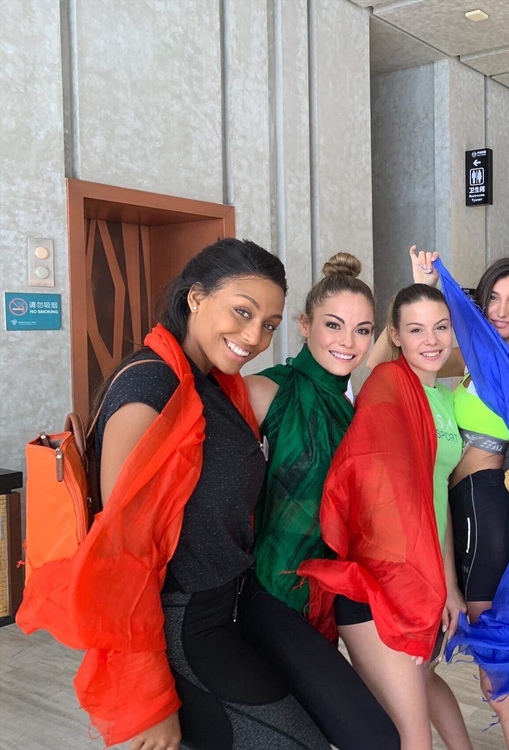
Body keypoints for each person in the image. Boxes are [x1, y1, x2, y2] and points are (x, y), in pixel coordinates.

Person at [18, 239, 330, 750]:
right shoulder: (151, 388)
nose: (254, 336)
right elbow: (123, 557)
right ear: (195, 297)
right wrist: (150, 699)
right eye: (242, 312)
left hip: (224, 611)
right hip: (179, 628)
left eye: (269, 324)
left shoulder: (211, 384)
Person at [370, 249, 509, 750]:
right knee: (460, 671)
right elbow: (380, 365)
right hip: (454, 516)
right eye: (494, 298)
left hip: (485, 518)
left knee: (498, 685)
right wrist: (418, 292)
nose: (502, 310)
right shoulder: (470, 356)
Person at [238, 253, 402, 749]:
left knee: (311, 733)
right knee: (371, 736)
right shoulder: (266, 391)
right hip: (271, 590)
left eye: (361, 330)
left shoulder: (358, 410)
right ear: (305, 324)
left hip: (332, 598)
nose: (347, 342)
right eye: (333, 325)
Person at [298, 283, 472, 750]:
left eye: (441, 327)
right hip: (382, 587)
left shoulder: (444, 399)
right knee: (411, 738)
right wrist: (414, 592)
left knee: (425, 683)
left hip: (424, 575)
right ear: (394, 335)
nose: (431, 340)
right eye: (415, 330)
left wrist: (448, 585)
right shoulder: (387, 384)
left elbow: (436, 498)